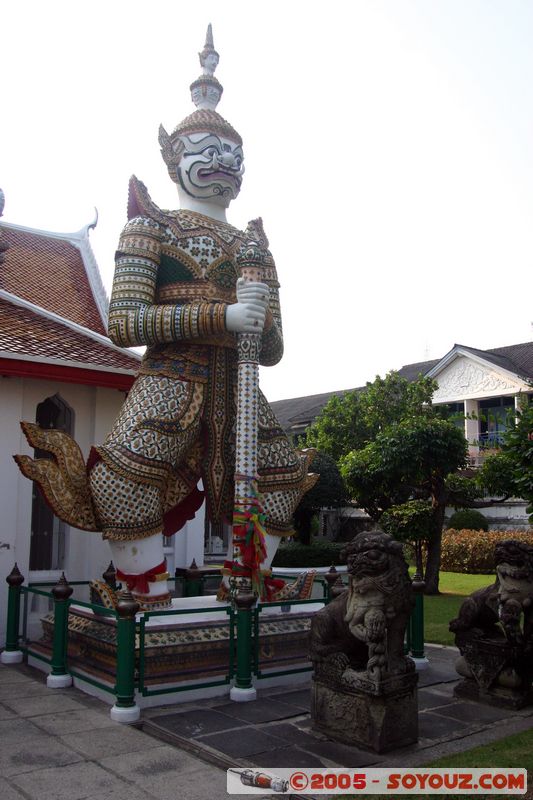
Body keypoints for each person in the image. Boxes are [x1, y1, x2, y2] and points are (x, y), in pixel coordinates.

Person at [15, 26, 316, 609]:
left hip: (240, 386)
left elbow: (274, 348)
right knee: (121, 482)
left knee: (281, 482)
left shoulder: (254, 245)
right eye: (207, 151)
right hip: (171, 377)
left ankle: (247, 585)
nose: (222, 163)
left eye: (233, 156)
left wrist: (258, 322)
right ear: (174, 158)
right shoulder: (150, 227)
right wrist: (222, 315)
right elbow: (124, 324)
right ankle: (144, 593)